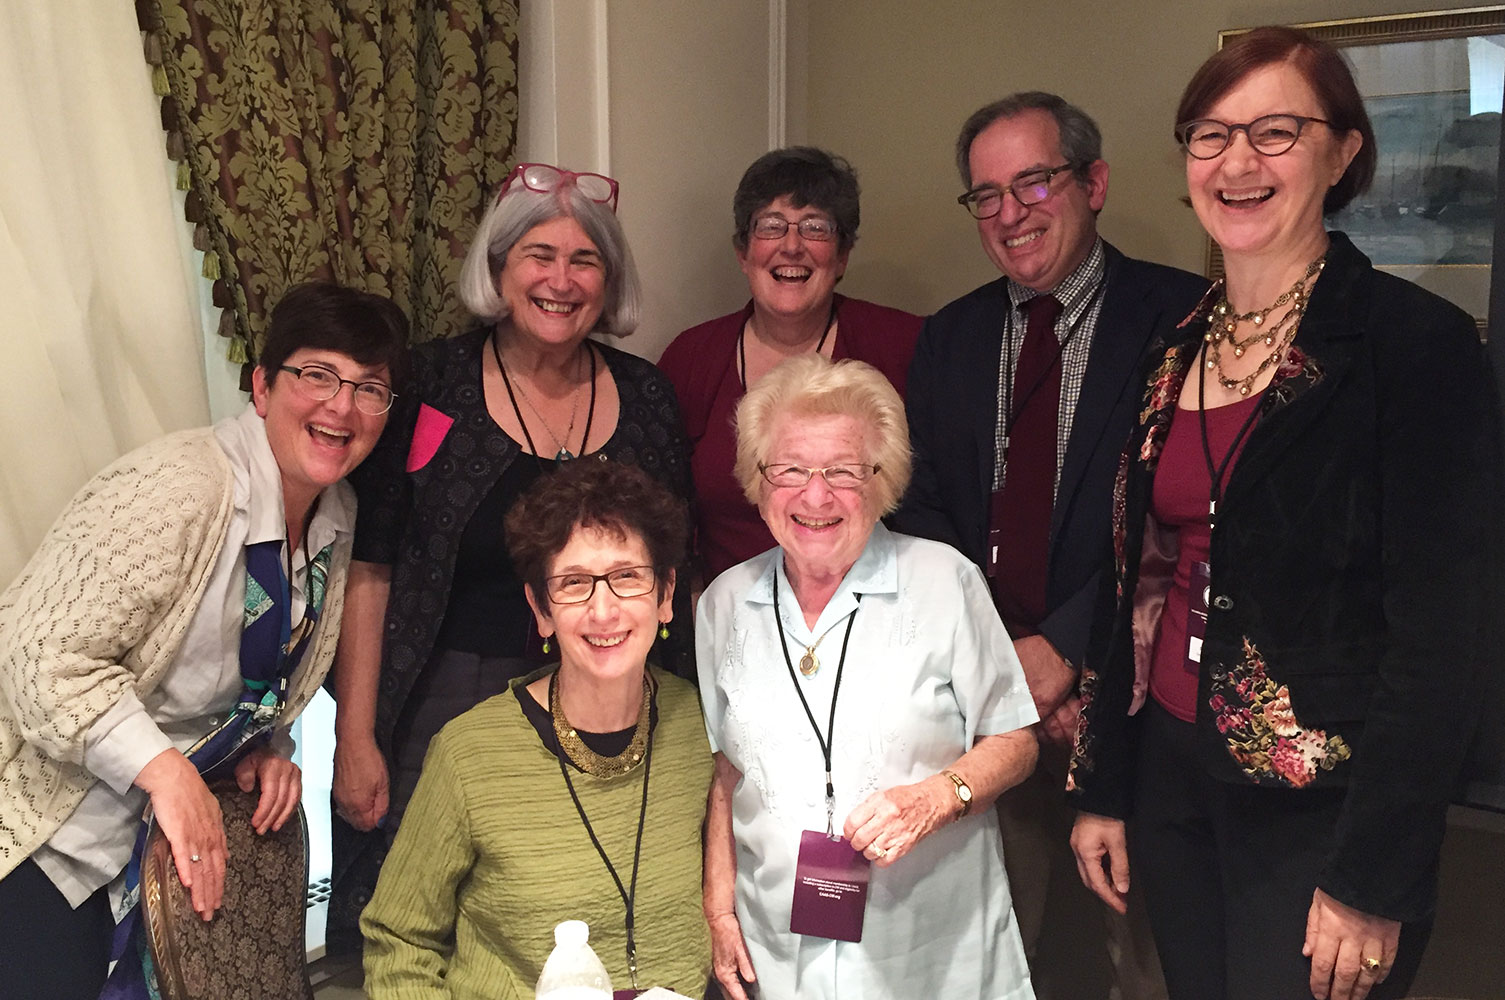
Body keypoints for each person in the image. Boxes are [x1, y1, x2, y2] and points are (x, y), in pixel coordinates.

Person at [1066, 27, 1502, 1000]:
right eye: (1209, 135)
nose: (1236, 162)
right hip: (1171, 779)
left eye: (1273, 131)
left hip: (1325, 809)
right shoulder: (1170, 345)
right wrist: (1102, 784)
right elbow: (1128, 576)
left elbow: (1441, 638)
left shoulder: (1409, 345)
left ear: (1342, 151)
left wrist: (1369, 877)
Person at [0, 282, 407, 1000]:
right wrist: (165, 770)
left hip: (156, 858)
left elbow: (247, 673)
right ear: (261, 384)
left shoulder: (336, 513)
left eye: (368, 388)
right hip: (50, 842)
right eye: (316, 374)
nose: (341, 406)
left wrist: (263, 749)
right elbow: (38, 656)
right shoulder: (178, 487)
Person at [328, 162, 694, 950]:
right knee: (427, 921)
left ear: (609, 278)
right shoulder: (430, 381)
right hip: (445, 697)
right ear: (497, 268)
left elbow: (671, 571)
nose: (560, 280)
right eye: (538, 254)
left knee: (576, 918)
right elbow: (372, 563)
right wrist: (354, 736)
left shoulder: (649, 396)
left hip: (610, 696)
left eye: (584, 259)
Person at [894, 91, 1205, 999]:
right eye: (985, 194)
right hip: (991, 699)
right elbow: (920, 510)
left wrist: (1068, 651)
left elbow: (1174, 514)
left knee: (1142, 956)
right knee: (1018, 942)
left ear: (1093, 182)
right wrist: (1003, 662)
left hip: (1132, 689)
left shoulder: (1181, 319)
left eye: (1033, 180)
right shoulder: (949, 337)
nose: (1009, 212)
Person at [698, 354, 1040, 1000]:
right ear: (757, 478)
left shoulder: (944, 580)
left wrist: (935, 799)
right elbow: (726, 771)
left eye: (843, 472)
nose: (816, 495)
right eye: (791, 469)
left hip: (927, 951)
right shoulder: (722, 602)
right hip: (774, 946)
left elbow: (1016, 742)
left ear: (881, 479)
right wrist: (719, 912)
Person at [361, 459, 711, 998]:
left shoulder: (699, 727)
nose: (603, 610)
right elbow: (398, 941)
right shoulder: (468, 754)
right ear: (541, 609)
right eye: (573, 583)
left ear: (665, 595)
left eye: (626, 577)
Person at [659, 147, 921, 581]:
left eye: (815, 227)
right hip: (728, 612)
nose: (792, 246)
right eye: (771, 227)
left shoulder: (904, 346)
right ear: (743, 252)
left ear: (842, 256)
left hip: (876, 614)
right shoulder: (691, 358)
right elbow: (664, 514)